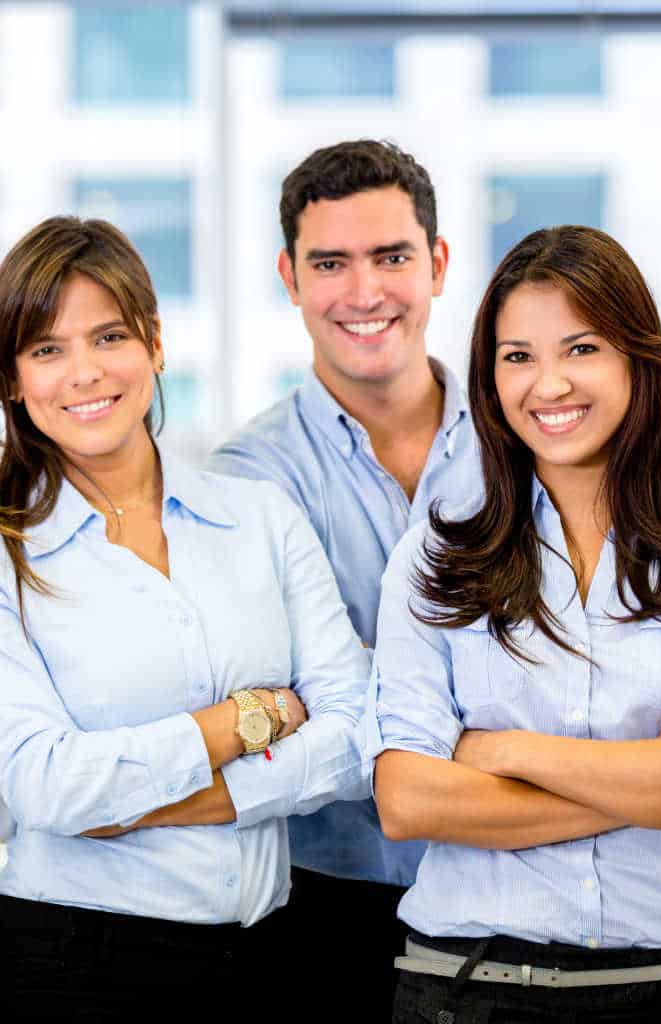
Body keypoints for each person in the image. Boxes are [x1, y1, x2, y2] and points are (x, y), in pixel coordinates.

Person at [371, 225, 661, 1023]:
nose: (549, 384)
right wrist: (658, 773)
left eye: (581, 349)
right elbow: (409, 800)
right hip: (467, 994)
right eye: (518, 356)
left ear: (638, 358)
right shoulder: (436, 555)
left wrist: (507, 752)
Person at [0, 216, 372, 1018]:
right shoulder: (8, 556)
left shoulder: (262, 518)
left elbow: (357, 737)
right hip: (71, 962)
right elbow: (44, 787)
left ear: (156, 344)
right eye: (47, 349)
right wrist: (247, 720)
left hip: (273, 954)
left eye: (109, 336)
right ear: (13, 380)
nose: (85, 373)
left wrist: (168, 801)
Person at [208, 139, 482, 1012]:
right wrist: (504, 715)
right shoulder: (245, 480)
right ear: (289, 277)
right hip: (319, 912)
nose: (364, 293)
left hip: (510, 892)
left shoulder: (526, 444)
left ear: (437, 264)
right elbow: (276, 698)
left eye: (391, 257)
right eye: (331, 263)